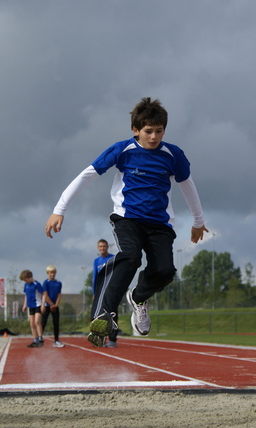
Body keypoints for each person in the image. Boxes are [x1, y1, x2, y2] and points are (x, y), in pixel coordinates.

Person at [45, 97, 209, 347]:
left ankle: (138, 297)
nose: (154, 137)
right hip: (127, 218)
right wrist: (59, 209)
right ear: (136, 130)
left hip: (160, 224)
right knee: (130, 257)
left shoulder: (173, 155)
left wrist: (198, 221)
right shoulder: (122, 150)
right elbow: (87, 175)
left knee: (165, 271)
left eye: (159, 131)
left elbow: (188, 186)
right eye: (148, 131)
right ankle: (104, 314)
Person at [90, 239, 117, 347]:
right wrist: (94, 293)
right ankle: (98, 338)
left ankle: (112, 340)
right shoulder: (96, 261)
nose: (102, 248)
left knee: (112, 314)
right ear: (98, 248)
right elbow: (95, 278)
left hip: (110, 291)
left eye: (104, 246)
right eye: (100, 247)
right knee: (97, 315)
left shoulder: (112, 258)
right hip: (99, 292)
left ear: (107, 247)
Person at [20, 270, 47, 348]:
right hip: (30, 306)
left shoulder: (37, 284)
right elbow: (26, 295)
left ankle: (40, 338)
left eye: (25, 279)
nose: (25, 281)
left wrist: (43, 305)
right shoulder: (26, 285)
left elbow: (44, 294)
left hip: (37, 305)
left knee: (37, 322)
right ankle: (35, 340)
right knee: (32, 324)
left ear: (29, 277)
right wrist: (25, 305)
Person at [41, 265, 65, 348]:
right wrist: (51, 304)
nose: (52, 274)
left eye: (53, 273)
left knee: (56, 323)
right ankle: (39, 339)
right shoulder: (46, 282)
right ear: (48, 273)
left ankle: (56, 340)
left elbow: (59, 294)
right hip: (48, 305)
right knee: (43, 322)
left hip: (55, 306)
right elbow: (45, 294)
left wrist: (56, 305)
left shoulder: (59, 283)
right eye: (50, 273)